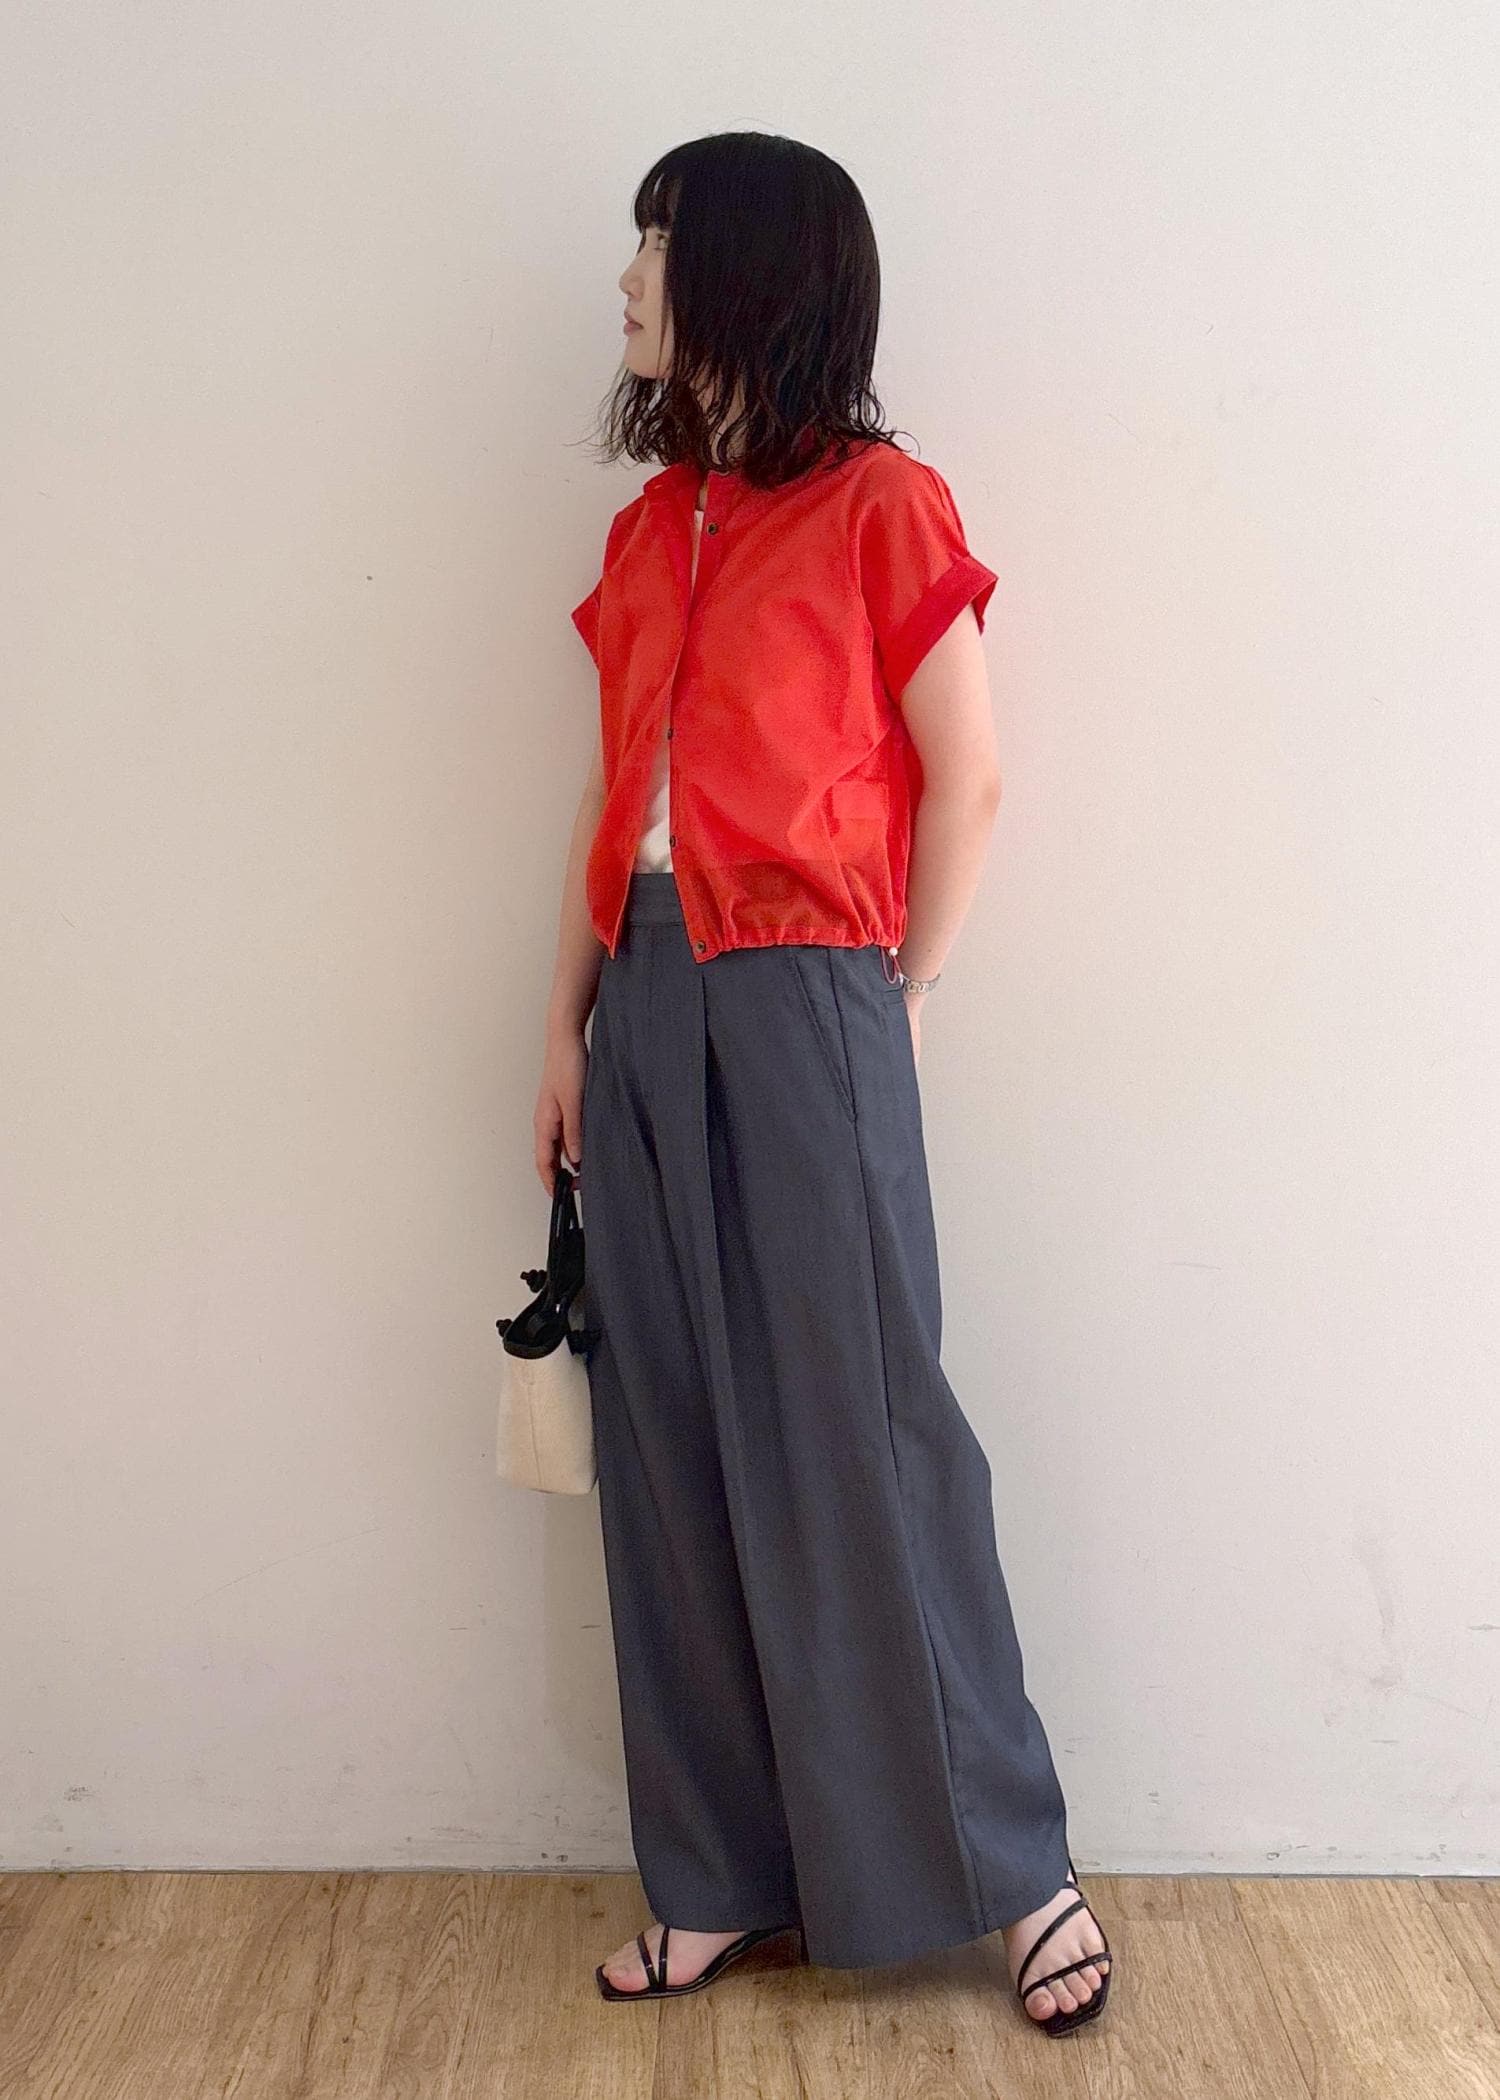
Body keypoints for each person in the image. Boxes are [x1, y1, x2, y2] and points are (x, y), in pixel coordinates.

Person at [532, 130, 1114, 2038]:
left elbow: (973, 774)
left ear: (752, 278)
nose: (629, 280)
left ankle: (1013, 1868)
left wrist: (903, 993)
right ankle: (720, 1877)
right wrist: (561, 1029)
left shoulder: (879, 505)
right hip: (646, 1000)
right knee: (668, 1442)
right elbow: (609, 801)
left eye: (658, 245)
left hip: (811, 994)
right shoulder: (646, 534)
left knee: (869, 1432)